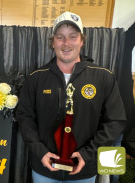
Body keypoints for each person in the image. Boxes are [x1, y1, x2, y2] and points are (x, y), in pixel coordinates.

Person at [16, 11, 126, 183]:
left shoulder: (103, 77)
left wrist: (87, 154)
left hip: (84, 171)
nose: (66, 43)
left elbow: (115, 121)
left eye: (73, 37)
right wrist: (41, 152)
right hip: (45, 170)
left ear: (82, 41)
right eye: (60, 37)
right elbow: (25, 118)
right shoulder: (36, 78)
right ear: (52, 42)